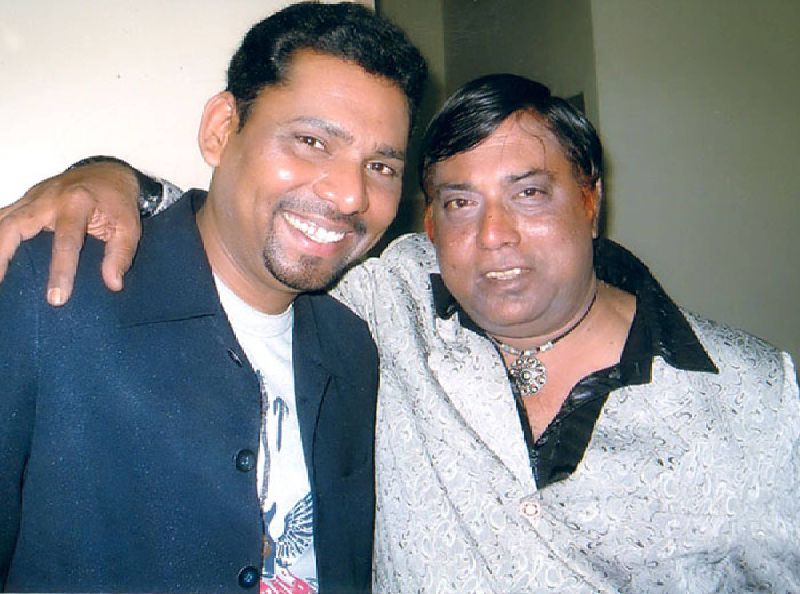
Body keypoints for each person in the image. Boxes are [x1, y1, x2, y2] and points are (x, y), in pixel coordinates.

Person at [2, 74, 798, 593]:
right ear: (430, 222)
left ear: (590, 198)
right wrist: (113, 180)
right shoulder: (390, 298)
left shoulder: (759, 399)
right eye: (458, 202)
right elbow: (257, 232)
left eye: (529, 194)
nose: (493, 236)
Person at [0, 2, 426, 593]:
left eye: (380, 166)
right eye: (311, 141)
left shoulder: (352, 347)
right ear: (221, 130)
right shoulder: (57, 289)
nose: (351, 195)